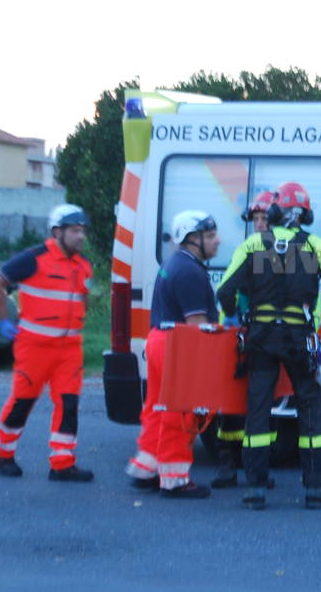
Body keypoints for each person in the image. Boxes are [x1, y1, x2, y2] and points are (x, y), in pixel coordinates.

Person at [217, 181, 321, 510]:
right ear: (304, 214)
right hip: (298, 340)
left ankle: (256, 490)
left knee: (259, 408)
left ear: (276, 212)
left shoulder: (252, 245)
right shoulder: (314, 246)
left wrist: (235, 315)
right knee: (310, 409)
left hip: (261, 338)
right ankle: (315, 489)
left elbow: (224, 291)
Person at [0, 203, 95, 482]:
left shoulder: (83, 266)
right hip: (34, 347)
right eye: (74, 231)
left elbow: (82, 298)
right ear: (57, 232)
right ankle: (3, 453)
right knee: (22, 403)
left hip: (69, 350)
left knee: (68, 405)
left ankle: (62, 463)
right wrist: (3, 320)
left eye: (82, 231)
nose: (81, 236)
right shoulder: (34, 258)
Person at [125, 210, 220, 499]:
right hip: (178, 346)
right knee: (181, 412)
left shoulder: (175, 264)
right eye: (211, 235)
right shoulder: (191, 272)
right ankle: (175, 479)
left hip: (161, 341)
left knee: (158, 407)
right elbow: (197, 327)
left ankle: (146, 469)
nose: (218, 241)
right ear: (193, 239)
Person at [210, 190, 276, 489]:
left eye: (264, 218)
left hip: (260, 334)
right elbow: (226, 291)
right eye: (256, 218)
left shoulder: (274, 252)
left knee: (260, 405)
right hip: (241, 334)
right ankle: (227, 465)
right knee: (231, 404)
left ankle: (256, 468)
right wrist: (233, 314)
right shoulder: (250, 249)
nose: (260, 223)